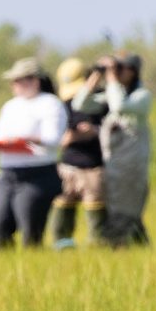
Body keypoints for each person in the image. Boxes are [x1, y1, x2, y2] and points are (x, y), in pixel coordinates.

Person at [0, 58, 67, 249]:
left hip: (37, 175)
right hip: (8, 173)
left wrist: (25, 140)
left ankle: (32, 270)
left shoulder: (50, 104)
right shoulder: (10, 106)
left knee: (31, 232)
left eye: (17, 80)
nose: (13, 85)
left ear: (34, 80)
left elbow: (53, 138)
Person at [73, 53, 152, 247]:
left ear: (132, 71)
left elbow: (118, 106)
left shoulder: (141, 96)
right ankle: (140, 250)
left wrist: (111, 80)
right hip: (113, 167)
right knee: (125, 215)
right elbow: (80, 104)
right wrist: (96, 77)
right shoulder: (112, 92)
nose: (114, 73)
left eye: (119, 68)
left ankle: (117, 248)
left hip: (131, 169)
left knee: (125, 214)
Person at [49, 58, 109, 248]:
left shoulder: (101, 101)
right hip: (67, 167)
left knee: (95, 210)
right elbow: (59, 139)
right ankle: (62, 246)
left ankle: (97, 247)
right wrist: (74, 136)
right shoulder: (62, 106)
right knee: (63, 207)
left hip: (94, 167)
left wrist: (93, 131)